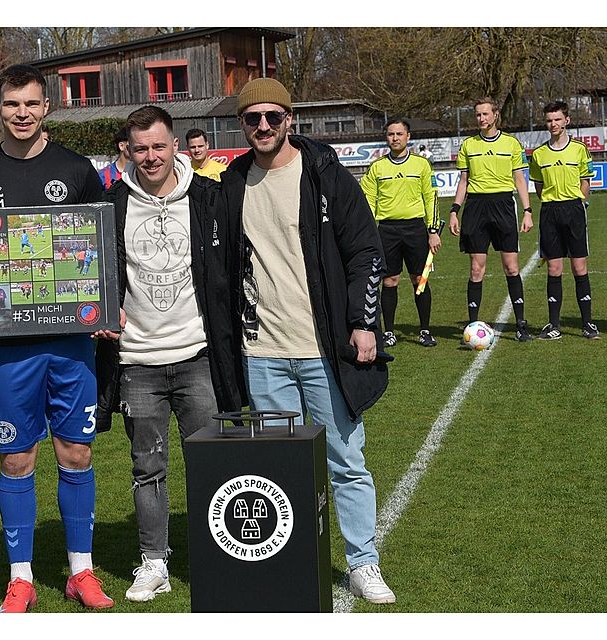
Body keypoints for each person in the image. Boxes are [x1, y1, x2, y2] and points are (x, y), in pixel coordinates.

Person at [219, 77, 395, 604]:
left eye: (274, 117)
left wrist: (363, 323)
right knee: (280, 469)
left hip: (324, 352)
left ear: (290, 119)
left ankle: (364, 562)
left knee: (346, 460)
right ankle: (292, 563)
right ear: (242, 124)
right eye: (253, 119)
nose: (264, 126)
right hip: (264, 355)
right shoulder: (233, 183)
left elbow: (366, 251)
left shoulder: (325, 176)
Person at [0, 64, 112, 613]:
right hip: (9, 348)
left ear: (47, 107)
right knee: (16, 459)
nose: (22, 113)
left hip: (71, 343)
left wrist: (107, 305)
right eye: (12, 104)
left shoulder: (75, 169)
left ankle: (80, 572)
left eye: (32, 104)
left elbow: (102, 244)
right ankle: (20, 578)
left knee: (77, 450)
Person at [95, 105, 243, 603]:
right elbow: (92, 270)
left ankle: (218, 558)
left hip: (199, 356)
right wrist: (100, 309)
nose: (151, 156)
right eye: (141, 149)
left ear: (175, 145)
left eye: (159, 146)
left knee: (214, 468)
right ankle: (153, 562)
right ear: (127, 151)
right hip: (137, 361)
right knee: (147, 469)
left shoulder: (207, 196)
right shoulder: (111, 203)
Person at [448, 97, 533, 342]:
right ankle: (473, 326)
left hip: (504, 205)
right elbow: (463, 181)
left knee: (511, 267)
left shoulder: (511, 144)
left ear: (495, 115)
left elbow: (519, 178)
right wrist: (454, 210)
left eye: (485, 114)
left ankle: (520, 324)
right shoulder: (468, 146)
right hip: (475, 207)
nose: (481, 119)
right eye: (478, 115)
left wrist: (527, 211)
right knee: (476, 269)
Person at [360, 118, 440, 347]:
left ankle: (425, 330)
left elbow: (431, 198)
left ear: (408, 137)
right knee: (389, 280)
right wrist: (369, 233)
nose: (394, 138)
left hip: (415, 229)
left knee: (420, 280)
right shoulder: (377, 167)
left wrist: (433, 230)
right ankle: (389, 332)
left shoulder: (421, 165)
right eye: (390, 134)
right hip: (387, 231)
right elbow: (368, 202)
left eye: (399, 134)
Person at [528, 101, 599, 340]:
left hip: (574, 210)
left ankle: (588, 324)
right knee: (554, 268)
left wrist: (577, 201)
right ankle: (554, 325)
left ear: (566, 120)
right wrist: (551, 201)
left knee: (579, 267)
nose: (553, 124)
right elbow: (538, 186)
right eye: (549, 120)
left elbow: (586, 181)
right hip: (550, 212)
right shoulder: (538, 154)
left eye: (557, 119)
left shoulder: (579, 150)